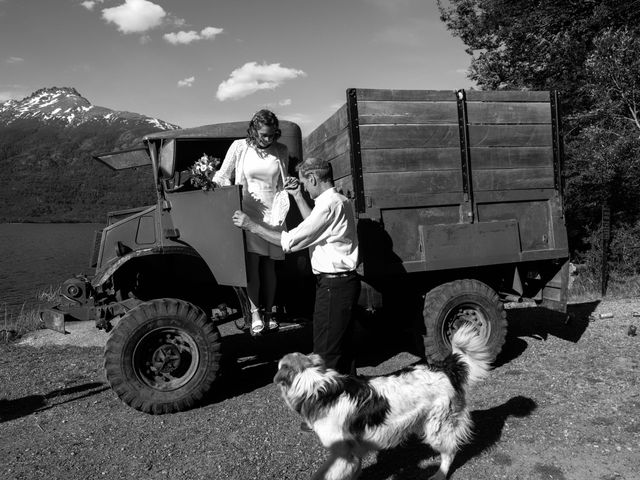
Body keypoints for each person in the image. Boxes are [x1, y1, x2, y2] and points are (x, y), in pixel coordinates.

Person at [231, 157, 360, 375]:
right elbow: (315, 226)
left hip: (334, 287)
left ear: (313, 178)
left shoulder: (328, 205)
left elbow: (291, 241)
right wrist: (298, 196)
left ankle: (328, 400)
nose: (305, 188)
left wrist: (252, 225)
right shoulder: (338, 201)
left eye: (304, 184)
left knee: (326, 353)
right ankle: (350, 396)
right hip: (342, 284)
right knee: (342, 348)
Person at [214, 109, 290, 336]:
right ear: (254, 131)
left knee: (270, 265)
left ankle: (269, 313)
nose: (268, 139)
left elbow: (282, 185)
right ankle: (255, 312)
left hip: (273, 212)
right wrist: (221, 188)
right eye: (264, 135)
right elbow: (222, 175)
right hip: (247, 209)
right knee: (252, 264)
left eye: (272, 134)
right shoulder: (240, 147)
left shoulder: (281, 150)